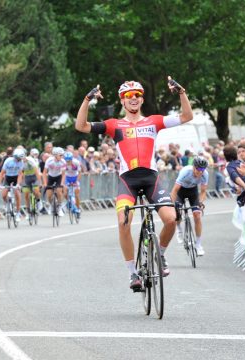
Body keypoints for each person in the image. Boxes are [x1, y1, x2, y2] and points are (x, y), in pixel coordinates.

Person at [75, 76, 193, 290]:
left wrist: (181, 92)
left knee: (171, 219)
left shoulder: (154, 121)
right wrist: (87, 99)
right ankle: (132, 274)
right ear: (122, 101)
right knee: (123, 222)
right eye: (128, 96)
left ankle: (161, 255)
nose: (134, 98)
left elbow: (187, 116)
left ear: (141, 99)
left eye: (137, 95)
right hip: (128, 180)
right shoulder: (114, 125)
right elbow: (81, 126)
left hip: (151, 179)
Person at [171, 156, 209, 256]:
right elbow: (175, 190)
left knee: (197, 216)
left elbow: (203, 191)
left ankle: (198, 245)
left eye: (202, 169)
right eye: (198, 169)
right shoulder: (185, 171)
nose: (200, 172)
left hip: (193, 192)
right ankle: (179, 229)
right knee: (178, 212)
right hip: (181, 191)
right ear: (193, 166)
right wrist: (172, 205)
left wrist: (200, 202)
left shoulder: (205, 174)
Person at [0, 148, 25, 222]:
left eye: (21, 158)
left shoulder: (21, 162)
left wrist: (18, 184)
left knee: (17, 193)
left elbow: (20, 174)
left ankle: (18, 212)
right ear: (15, 157)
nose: (20, 160)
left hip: (16, 177)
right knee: (3, 195)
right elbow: (2, 173)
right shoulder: (8, 161)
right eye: (19, 158)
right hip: (8, 177)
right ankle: (8, 204)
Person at [43, 147, 66, 216]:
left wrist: (62, 184)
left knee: (59, 191)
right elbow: (44, 173)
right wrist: (45, 183)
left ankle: (59, 208)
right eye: (60, 155)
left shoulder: (63, 161)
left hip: (58, 177)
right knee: (49, 195)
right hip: (50, 177)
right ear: (55, 155)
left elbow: (64, 174)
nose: (62, 157)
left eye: (62, 155)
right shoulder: (49, 161)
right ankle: (51, 206)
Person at [21, 149, 43, 220]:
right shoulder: (20, 162)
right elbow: (20, 173)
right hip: (26, 178)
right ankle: (28, 212)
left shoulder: (30, 160)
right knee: (26, 195)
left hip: (34, 177)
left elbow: (37, 171)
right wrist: (20, 183)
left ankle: (39, 201)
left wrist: (40, 182)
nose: (22, 159)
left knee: (36, 191)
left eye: (23, 157)